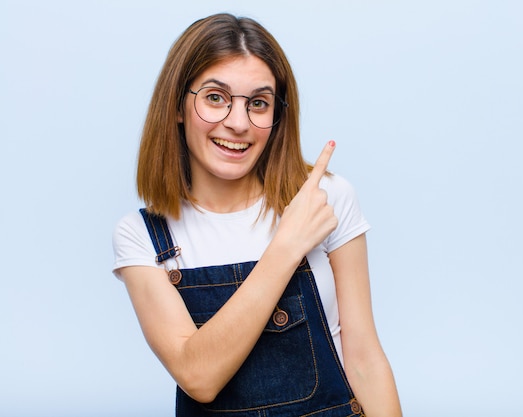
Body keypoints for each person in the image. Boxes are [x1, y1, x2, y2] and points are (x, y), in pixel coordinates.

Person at [112, 13, 402, 416]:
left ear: (276, 116)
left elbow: (365, 360)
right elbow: (198, 377)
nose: (237, 123)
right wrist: (287, 247)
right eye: (216, 97)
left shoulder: (326, 198)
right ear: (178, 106)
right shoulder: (141, 236)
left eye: (258, 103)